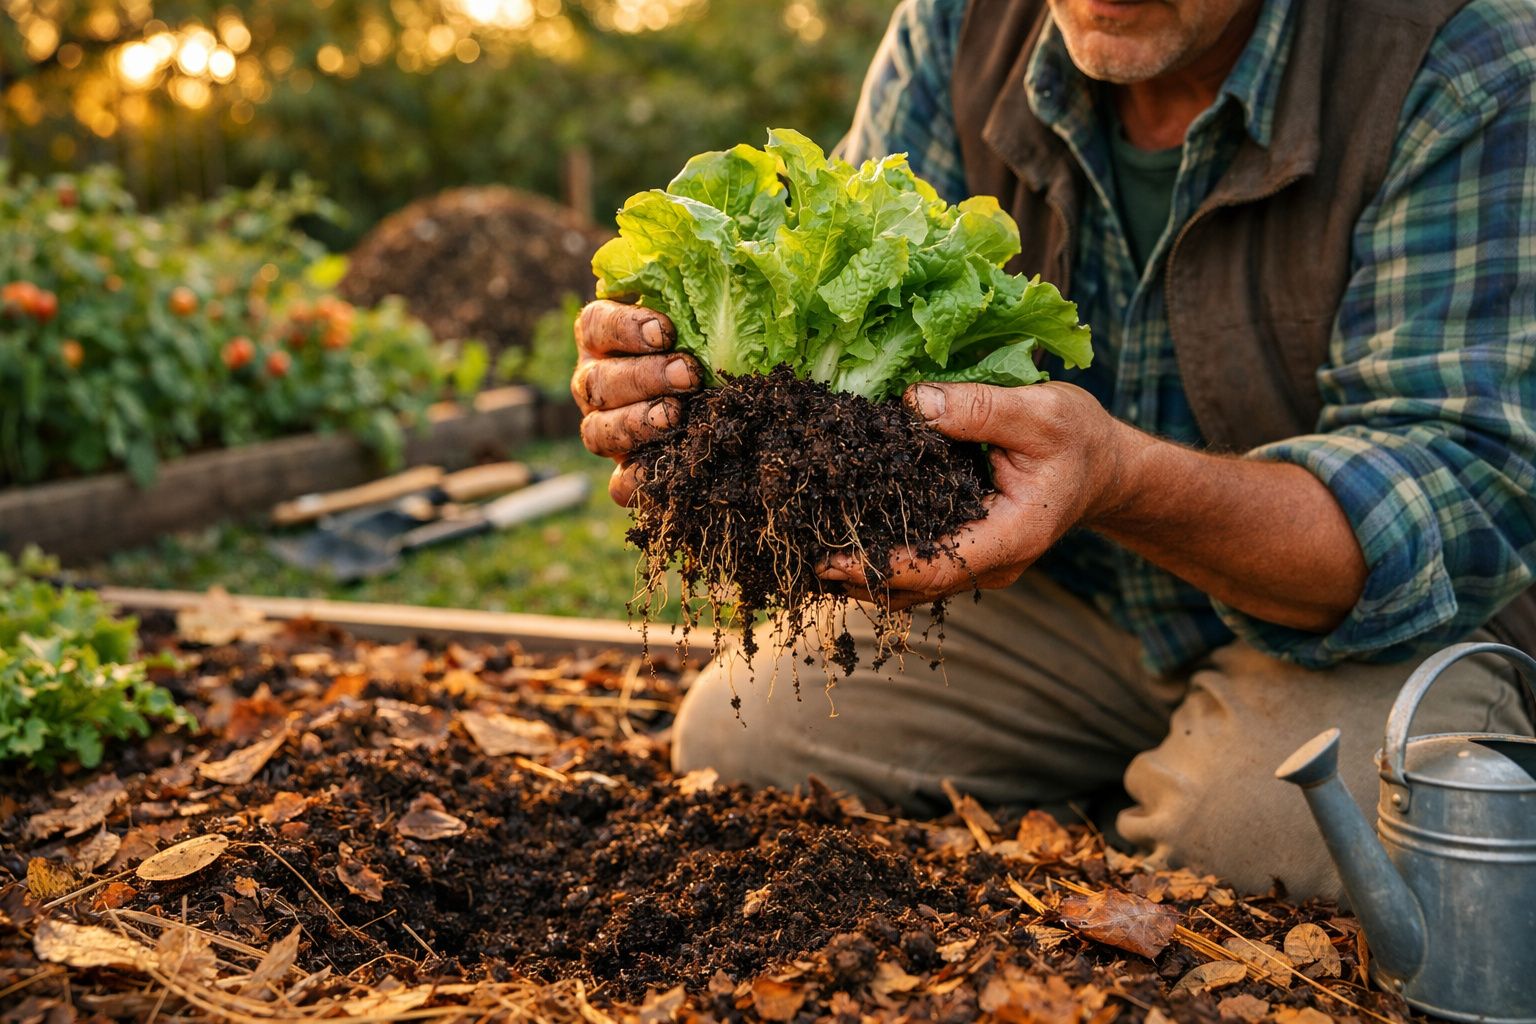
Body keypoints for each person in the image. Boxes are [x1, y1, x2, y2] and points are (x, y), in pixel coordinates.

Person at [570, 0, 1536, 899]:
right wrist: (688, 387)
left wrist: (1117, 477)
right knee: (747, 745)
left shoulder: (1458, 56)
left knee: (1269, 839)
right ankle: (1130, 789)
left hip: (1366, 635)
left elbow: (1461, 486)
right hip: (1070, 602)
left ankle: (1168, 795)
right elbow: (841, 273)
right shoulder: (960, 27)